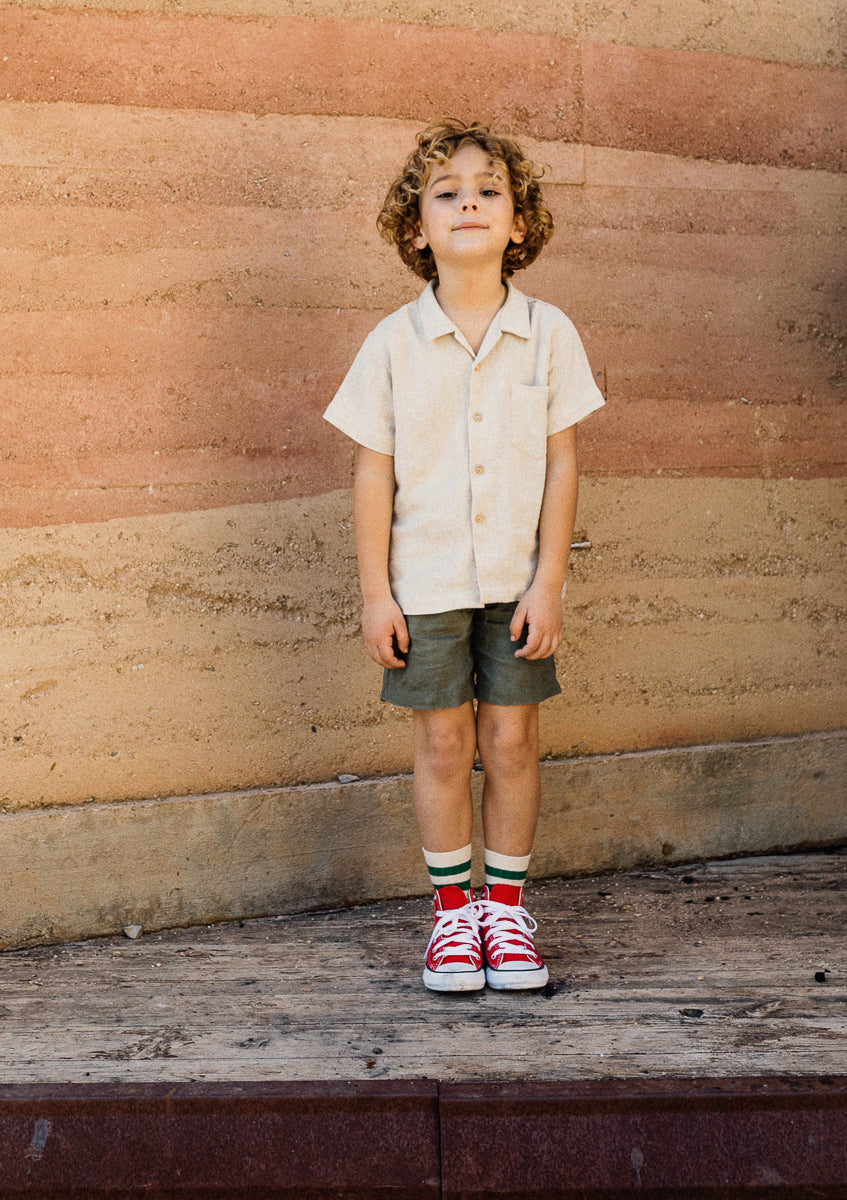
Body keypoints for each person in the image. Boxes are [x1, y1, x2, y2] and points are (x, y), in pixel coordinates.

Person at [324, 119, 604, 992]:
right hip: (427, 584)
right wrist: (377, 595)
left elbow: (562, 461)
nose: (469, 203)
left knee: (512, 739)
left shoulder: (549, 333)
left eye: (488, 190)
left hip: (516, 587)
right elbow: (373, 472)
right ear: (417, 228)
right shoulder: (391, 344)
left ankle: (508, 913)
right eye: (446, 192)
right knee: (444, 747)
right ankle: (454, 920)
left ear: (519, 223)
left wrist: (549, 580)